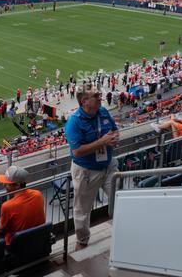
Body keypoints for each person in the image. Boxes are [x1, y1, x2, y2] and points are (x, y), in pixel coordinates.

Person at [65, 86, 119, 249]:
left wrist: (115, 137)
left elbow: (114, 129)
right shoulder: (74, 122)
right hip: (86, 170)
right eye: (96, 95)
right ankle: (82, 241)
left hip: (108, 166)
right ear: (84, 101)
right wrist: (102, 142)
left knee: (120, 198)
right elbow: (77, 151)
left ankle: (123, 228)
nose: (100, 96)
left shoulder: (102, 111)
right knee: (83, 208)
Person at [0, 166, 45, 246]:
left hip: (18, 246)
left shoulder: (7, 206)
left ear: (17, 185)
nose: (3, 185)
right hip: (39, 241)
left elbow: (0, 229)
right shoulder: (38, 194)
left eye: (7, 184)